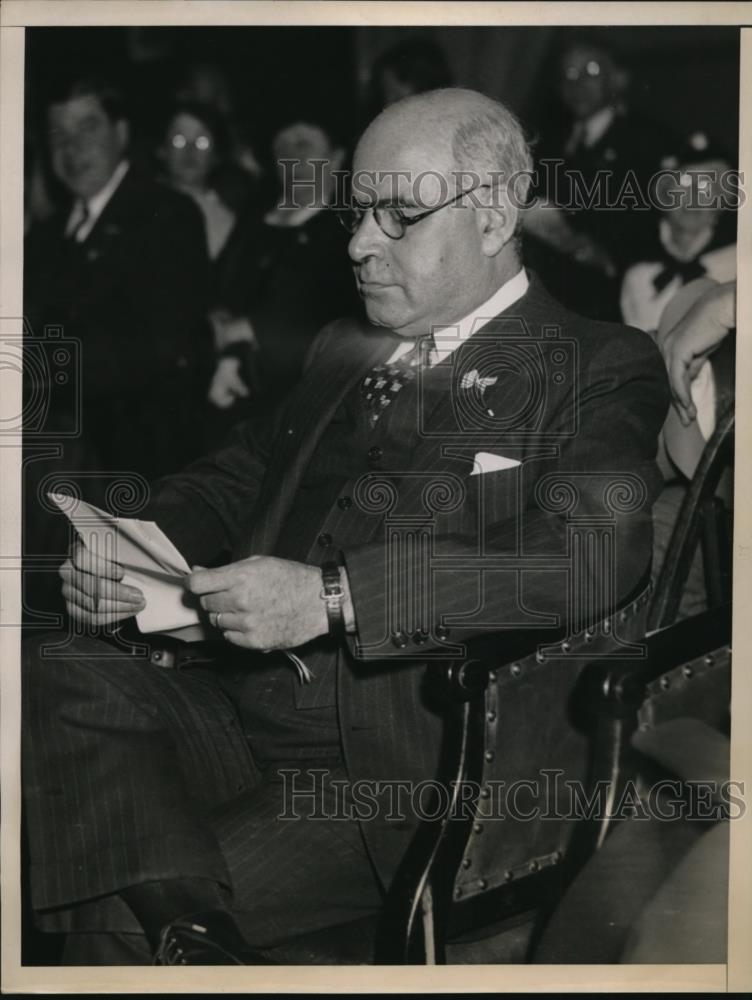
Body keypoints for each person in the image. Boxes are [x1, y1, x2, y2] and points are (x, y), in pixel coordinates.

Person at [22, 88, 670, 966]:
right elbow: (238, 471)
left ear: (490, 214)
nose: (363, 245)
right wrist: (132, 553)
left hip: (387, 775)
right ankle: (197, 930)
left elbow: (595, 552)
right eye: (359, 214)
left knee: (100, 901)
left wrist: (335, 598)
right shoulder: (344, 349)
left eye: (399, 215)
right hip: (237, 703)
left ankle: (170, 925)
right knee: (48, 665)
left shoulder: (597, 363)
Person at [24, 74, 213, 480]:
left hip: (136, 466)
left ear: (121, 132)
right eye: (58, 133)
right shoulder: (43, 236)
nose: (71, 148)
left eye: (87, 128)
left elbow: (159, 347)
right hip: (53, 459)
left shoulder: (167, 215)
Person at [527, 34, 675, 320]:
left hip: (619, 298)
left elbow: (658, 222)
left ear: (618, 79)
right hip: (559, 294)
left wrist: (604, 253)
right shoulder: (551, 144)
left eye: (591, 71)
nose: (577, 83)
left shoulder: (646, 140)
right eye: (568, 74)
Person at [620, 133, 737, 336]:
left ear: (721, 204)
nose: (693, 196)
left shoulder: (737, 265)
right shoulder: (638, 274)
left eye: (706, 186)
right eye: (683, 183)